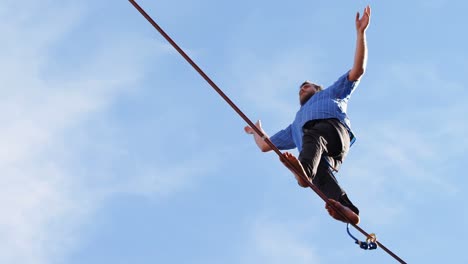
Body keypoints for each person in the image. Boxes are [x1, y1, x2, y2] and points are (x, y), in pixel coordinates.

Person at [244, 6, 371, 225]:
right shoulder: (294, 125)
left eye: (307, 85)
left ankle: (303, 174)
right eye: (300, 88)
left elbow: (357, 71)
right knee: (322, 178)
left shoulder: (331, 92)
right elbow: (266, 146)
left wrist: (361, 34)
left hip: (333, 132)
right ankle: (347, 210)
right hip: (322, 156)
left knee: (311, 136)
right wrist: (257, 131)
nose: (302, 88)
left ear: (318, 89)